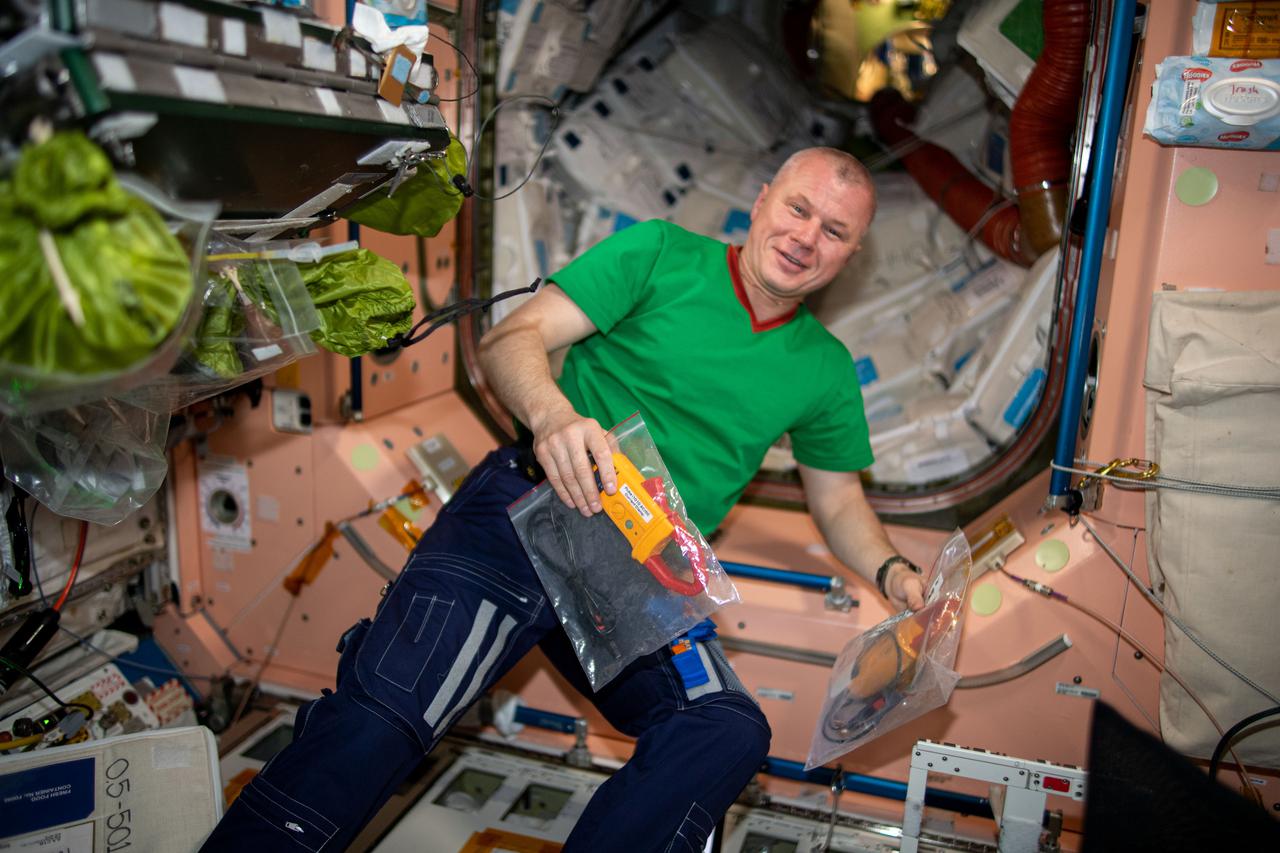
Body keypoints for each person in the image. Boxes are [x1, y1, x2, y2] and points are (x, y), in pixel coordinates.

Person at [201, 147, 925, 852]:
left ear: (851, 252)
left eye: (833, 231)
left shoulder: (825, 369)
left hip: (644, 569)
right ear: (764, 197)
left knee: (724, 728)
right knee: (390, 713)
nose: (806, 237)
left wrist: (896, 575)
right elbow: (513, 337)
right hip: (531, 505)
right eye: (798, 209)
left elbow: (836, 501)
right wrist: (553, 416)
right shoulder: (660, 253)